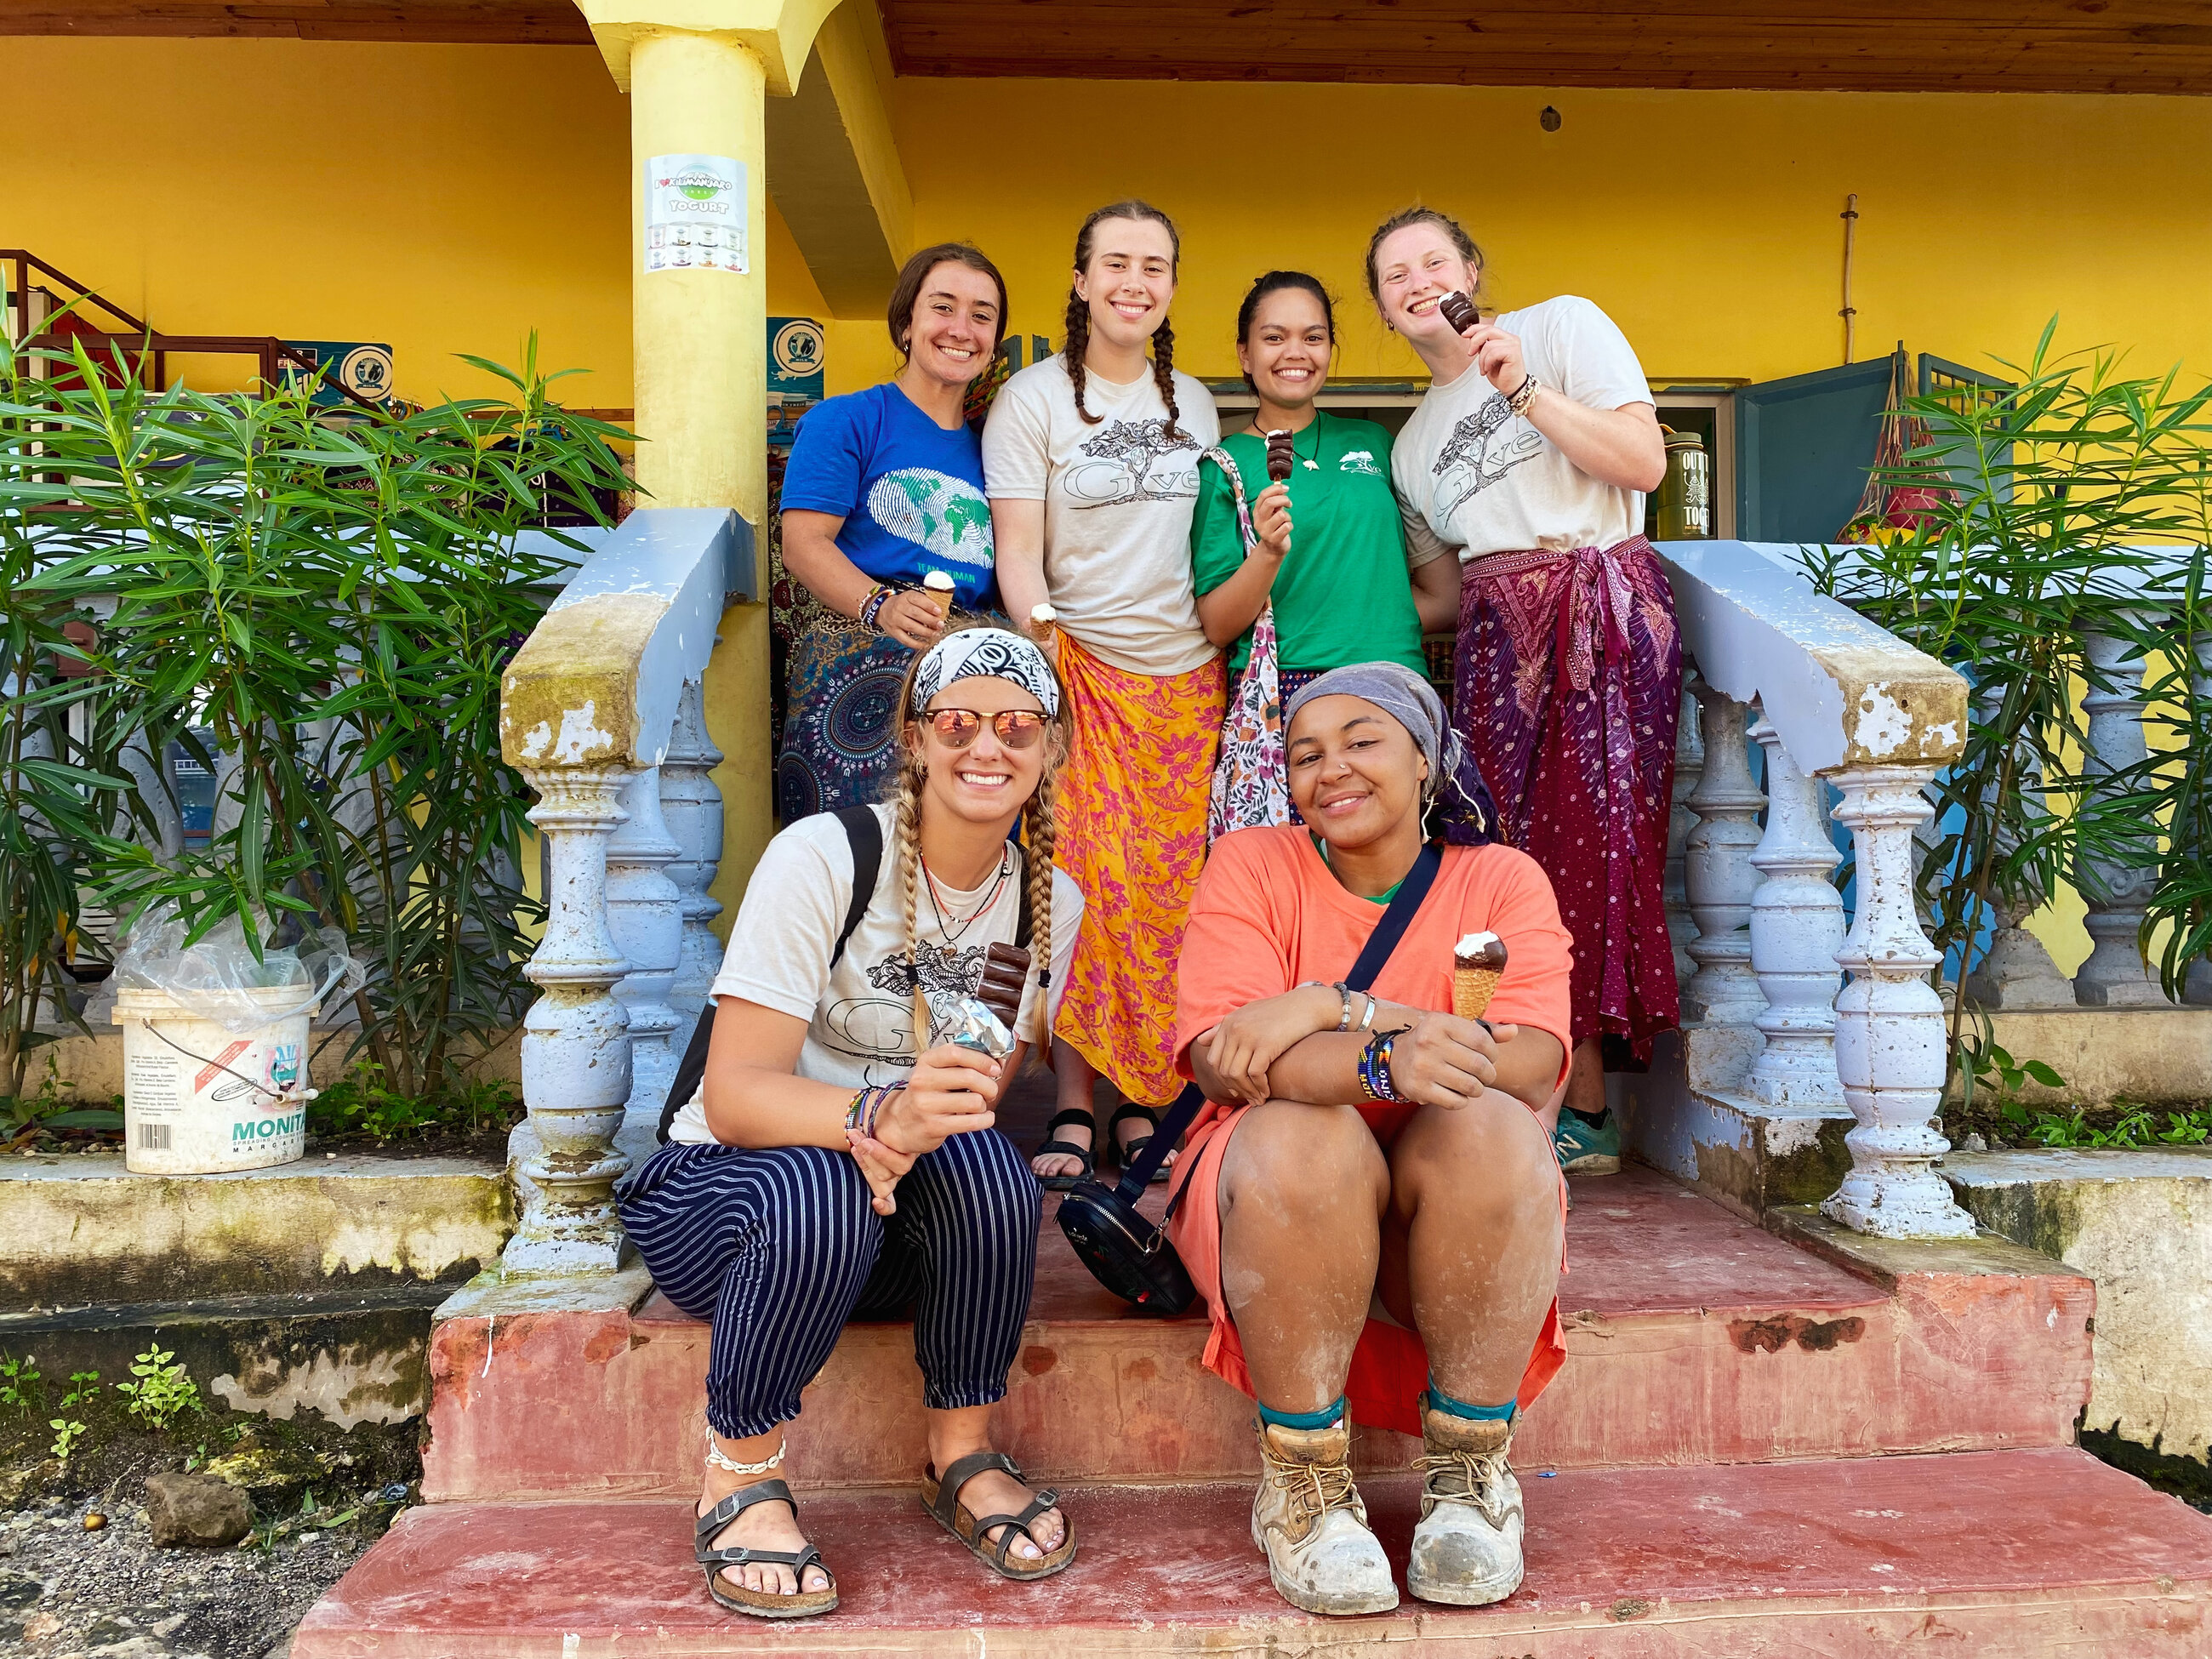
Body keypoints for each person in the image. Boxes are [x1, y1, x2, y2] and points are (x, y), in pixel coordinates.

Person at [618, 628, 1084, 1620]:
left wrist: (917, 1131)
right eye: (956, 722)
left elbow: (969, 1100)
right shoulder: (825, 854)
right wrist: (875, 1120)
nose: (985, 747)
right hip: (733, 1204)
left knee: (994, 1171)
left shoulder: (1047, 906)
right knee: (819, 1182)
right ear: (914, 738)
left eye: (1017, 726)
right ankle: (737, 1473)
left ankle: (959, 1453)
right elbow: (738, 1096)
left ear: (1052, 750)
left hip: (886, 1227)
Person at [1170, 663, 1571, 1616]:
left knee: (1491, 1127)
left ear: (1426, 761)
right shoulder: (1251, 865)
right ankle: (1302, 1485)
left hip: (1449, 1216)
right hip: (1280, 1203)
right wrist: (1391, 1055)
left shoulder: (1497, 881)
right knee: (1305, 1133)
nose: (1330, 770)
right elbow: (1227, 1057)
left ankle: (1470, 1475)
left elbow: (1530, 1060)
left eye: (1362, 741)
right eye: (1304, 754)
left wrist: (1328, 1010)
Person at [1371, 205, 1679, 1177]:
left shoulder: (1558, 327)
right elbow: (1440, 593)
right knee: (1500, 865)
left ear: (1468, 267)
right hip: (1498, 643)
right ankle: (1542, 1090)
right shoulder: (1409, 445)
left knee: (1590, 854)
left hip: (1601, 606)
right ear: (1382, 312)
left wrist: (1524, 390)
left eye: (1432, 261)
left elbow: (1642, 464)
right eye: (1392, 276)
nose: (1416, 280)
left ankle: (1579, 1107)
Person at [983, 199, 1223, 1189]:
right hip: (1079, 674)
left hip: (1185, 684)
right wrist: (1047, 671)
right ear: (1080, 281)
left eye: (1154, 266)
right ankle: (1079, 1105)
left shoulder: (1195, 403)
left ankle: (1146, 1100)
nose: (1135, 281)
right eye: (1114, 263)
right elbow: (1017, 554)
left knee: (1168, 898)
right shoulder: (1031, 401)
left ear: (1170, 286)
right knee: (1080, 890)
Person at [1192, 270, 1459, 828]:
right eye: (1274, 337)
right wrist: (1267, 552)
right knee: (1296, 886)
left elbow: (1445, 597)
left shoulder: (1378, 444)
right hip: (1287, 697)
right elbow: (1218, 624)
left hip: (1392, 687)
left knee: (1396, 880)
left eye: (1313, 337)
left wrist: (1372, 620)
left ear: (1331, 350)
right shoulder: (1224, 467)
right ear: (1244, 354)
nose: (1296, 352)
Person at [774, 243, 1010, 823]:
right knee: (849, 858)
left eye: (982, 315)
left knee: (958, 855)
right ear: (907, 323)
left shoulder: (998, 444)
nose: (961, 329)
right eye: (943, 307)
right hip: (863, 650)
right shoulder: (848, 420)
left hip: (969, 674)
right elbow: (803, 544)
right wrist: (879, 604)